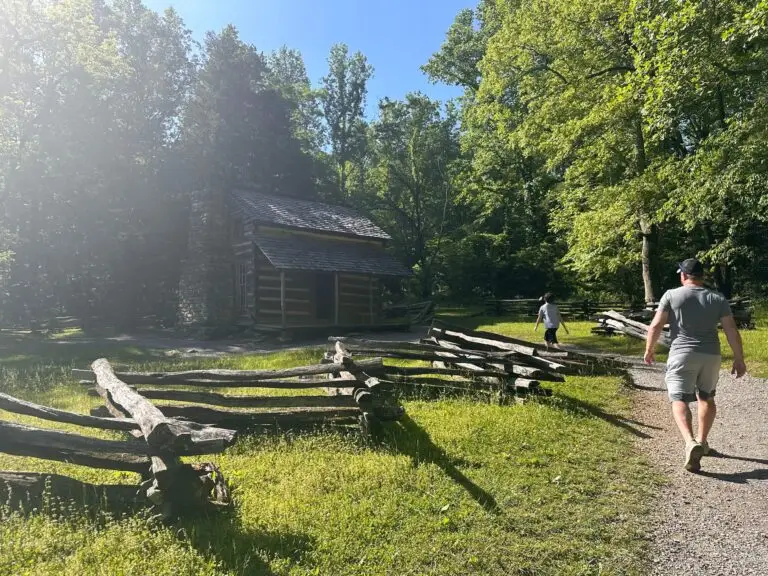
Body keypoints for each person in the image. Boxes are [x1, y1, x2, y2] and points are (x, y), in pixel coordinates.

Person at [644, 258, 747, 473]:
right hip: (711, 354)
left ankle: (690, 442)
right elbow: (731, 331)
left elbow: (655, 325)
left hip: (682, 353)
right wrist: (739, 358)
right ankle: (703, 441)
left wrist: (649, 349)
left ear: (683, 275)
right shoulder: (717, 298)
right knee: (706, 396)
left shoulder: (671, 295)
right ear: (702, 276)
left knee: (679, 398)